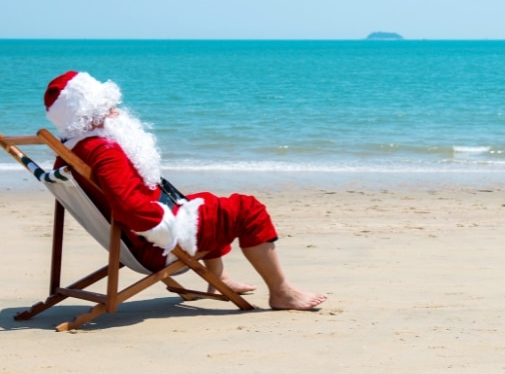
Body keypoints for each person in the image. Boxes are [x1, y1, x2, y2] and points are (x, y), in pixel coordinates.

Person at [42, 70, 327, 310]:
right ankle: (281, 292)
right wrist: (166, 228)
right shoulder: (104, 151)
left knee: (206, 201)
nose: (115, 110)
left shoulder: (70, 151)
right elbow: (130, 209)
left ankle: (219, 278)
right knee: (247, 209)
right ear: (88, 115)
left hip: (134, 241)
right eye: (105, 106)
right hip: (156, 243)